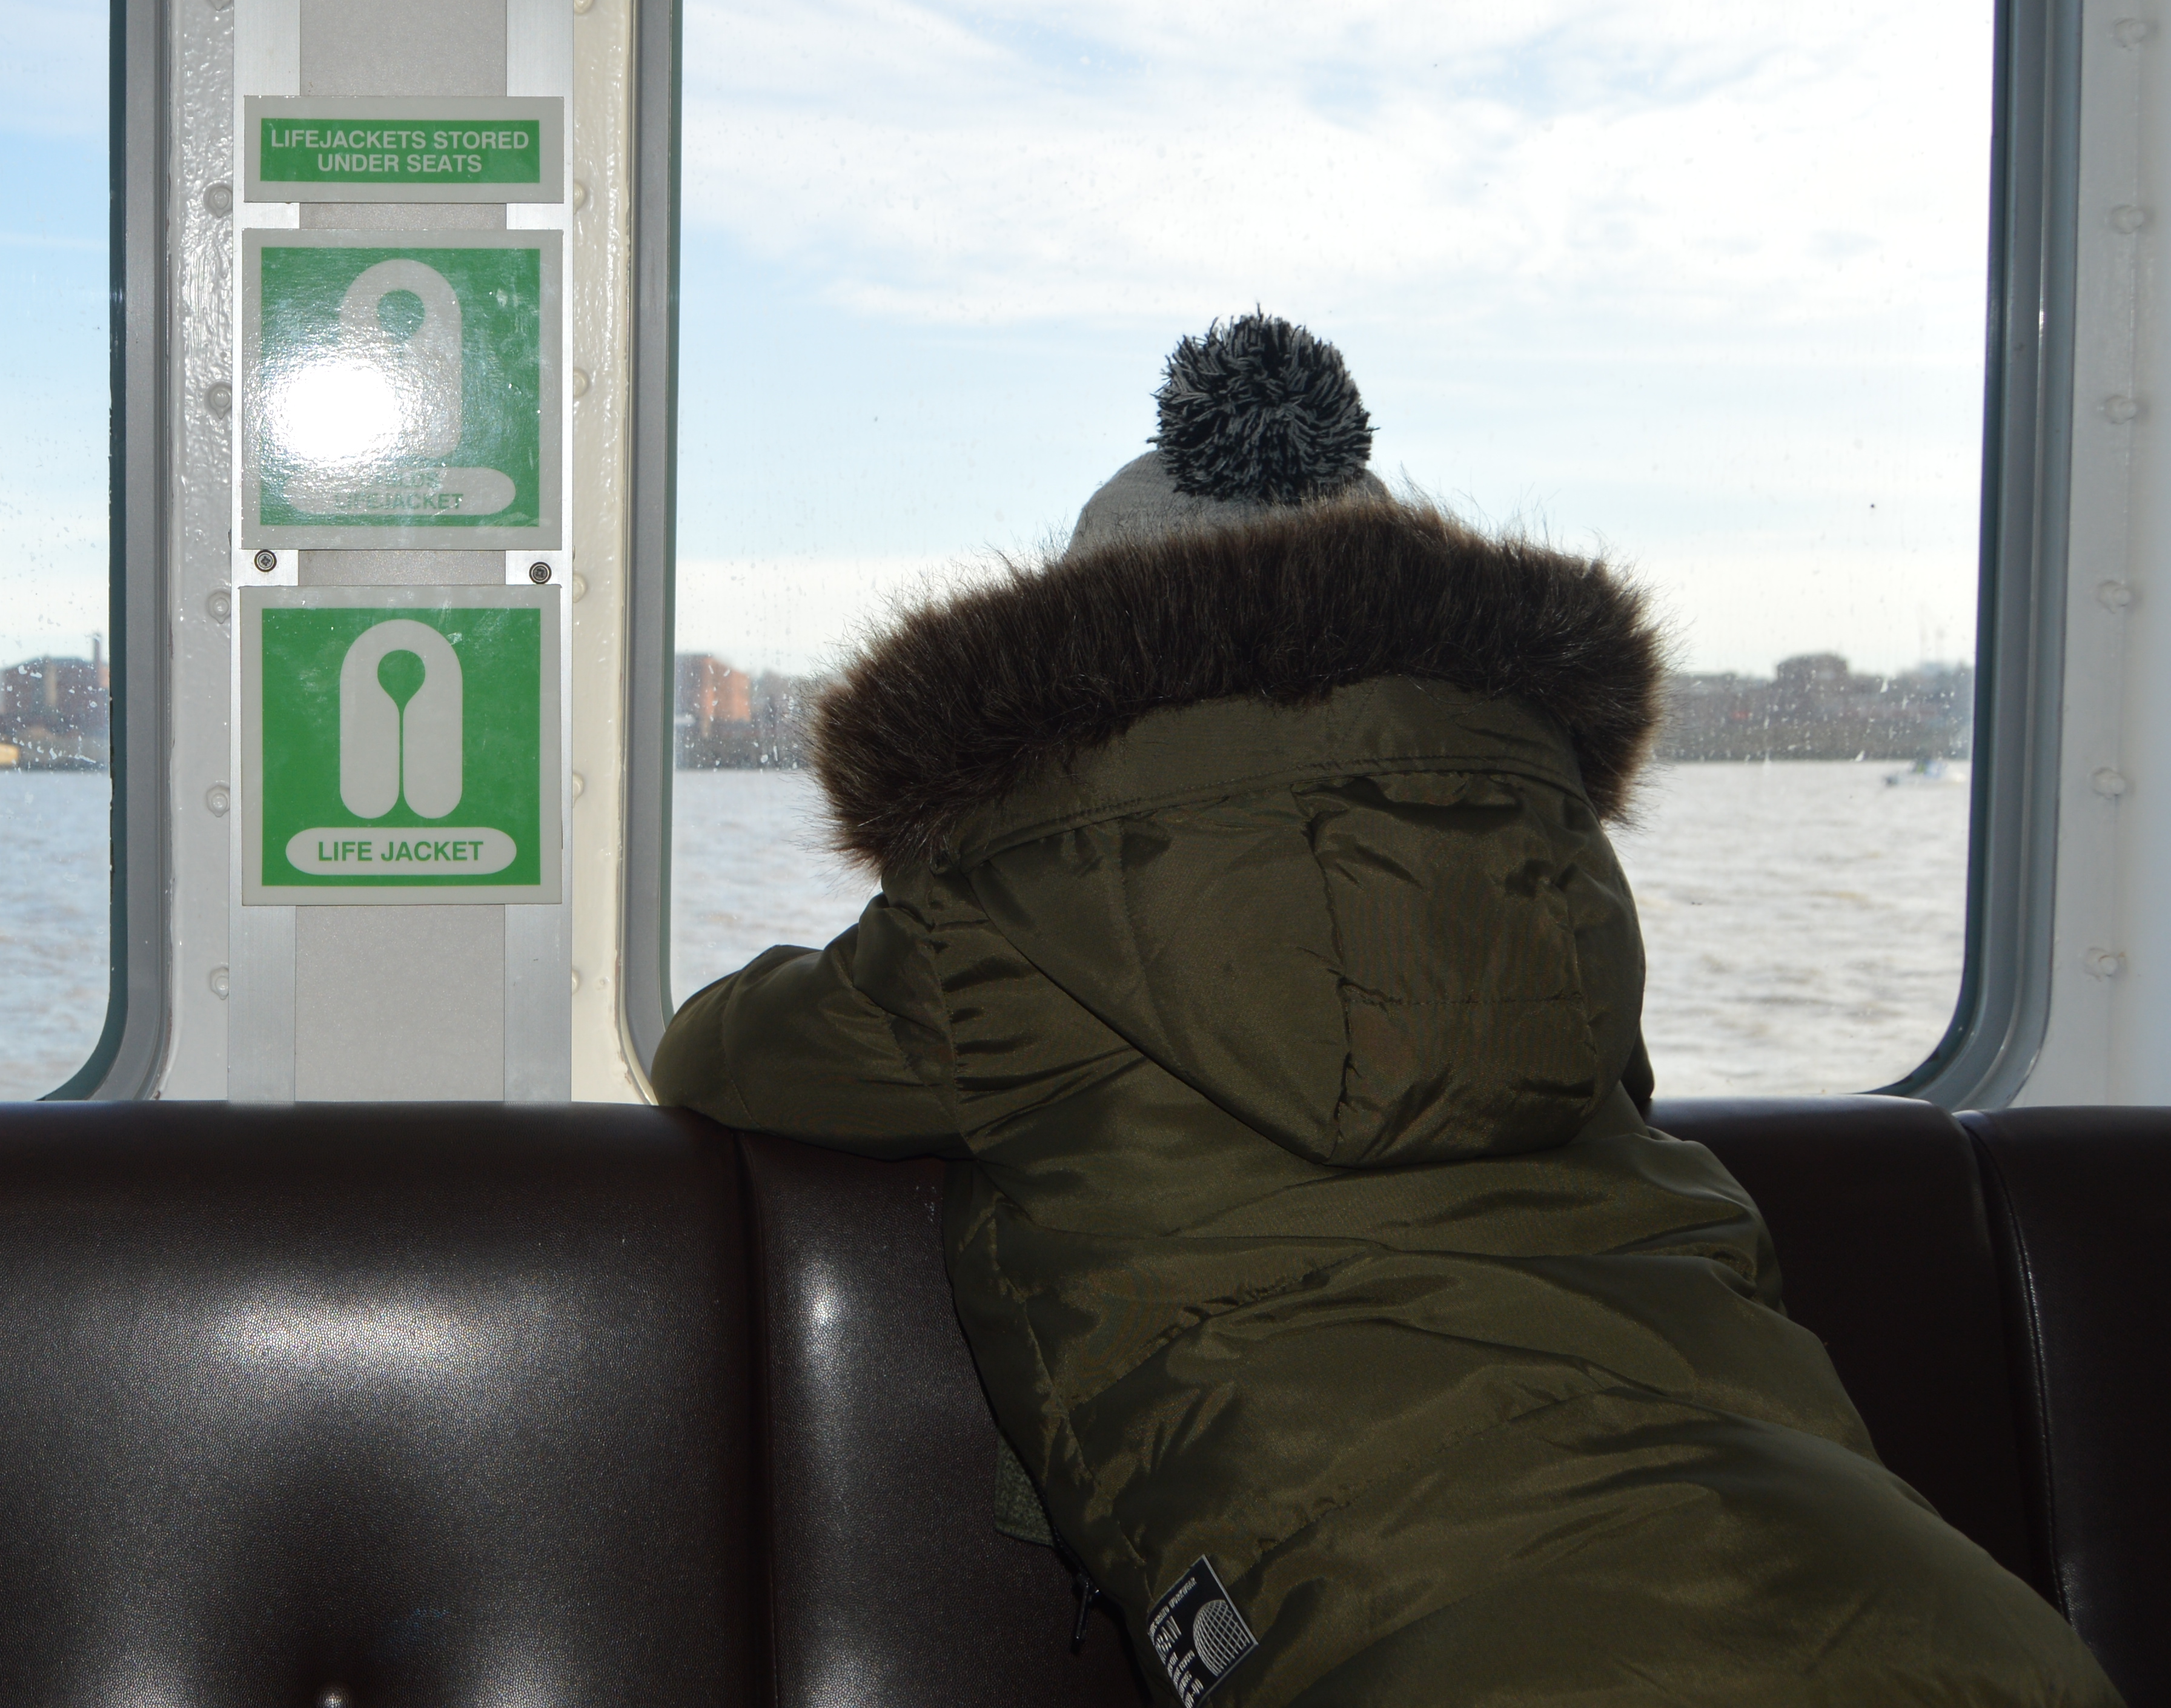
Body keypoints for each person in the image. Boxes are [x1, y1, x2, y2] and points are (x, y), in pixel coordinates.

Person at [651, 316, 2115, 1707]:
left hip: (1434, 1629)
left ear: (1073, 638)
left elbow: (714, 1047)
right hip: (1905, 1585)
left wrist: (948, 874)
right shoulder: (1550, 864)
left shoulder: (1008, 912)